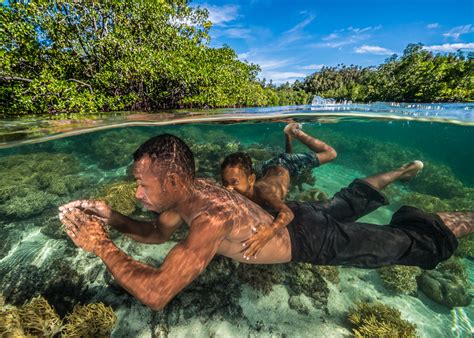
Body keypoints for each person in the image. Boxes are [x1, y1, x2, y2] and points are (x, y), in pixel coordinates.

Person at [59, 134, 472, 311]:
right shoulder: (186, 192)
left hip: (312, 239)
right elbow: (154, 232)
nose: (138, 194)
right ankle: (401, 171)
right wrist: (111, 217)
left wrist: (102, 245)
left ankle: (460, 218)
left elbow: (157, 293)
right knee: (348, 199)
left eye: (141, 185)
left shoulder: (210, 217)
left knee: (413, 242)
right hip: (300, 216)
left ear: (170, 179)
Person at [221, 123, 337, 258]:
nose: (228, 188)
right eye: (225, 182)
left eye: (234, 182)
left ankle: (294, 131)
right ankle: (288, 137)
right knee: (286, 163)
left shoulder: (264, 192)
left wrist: (269, 232)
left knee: (331, 154)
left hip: (286, 164)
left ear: (251, 180)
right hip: (268, 168)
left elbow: (288, 213)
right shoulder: (239, 190)